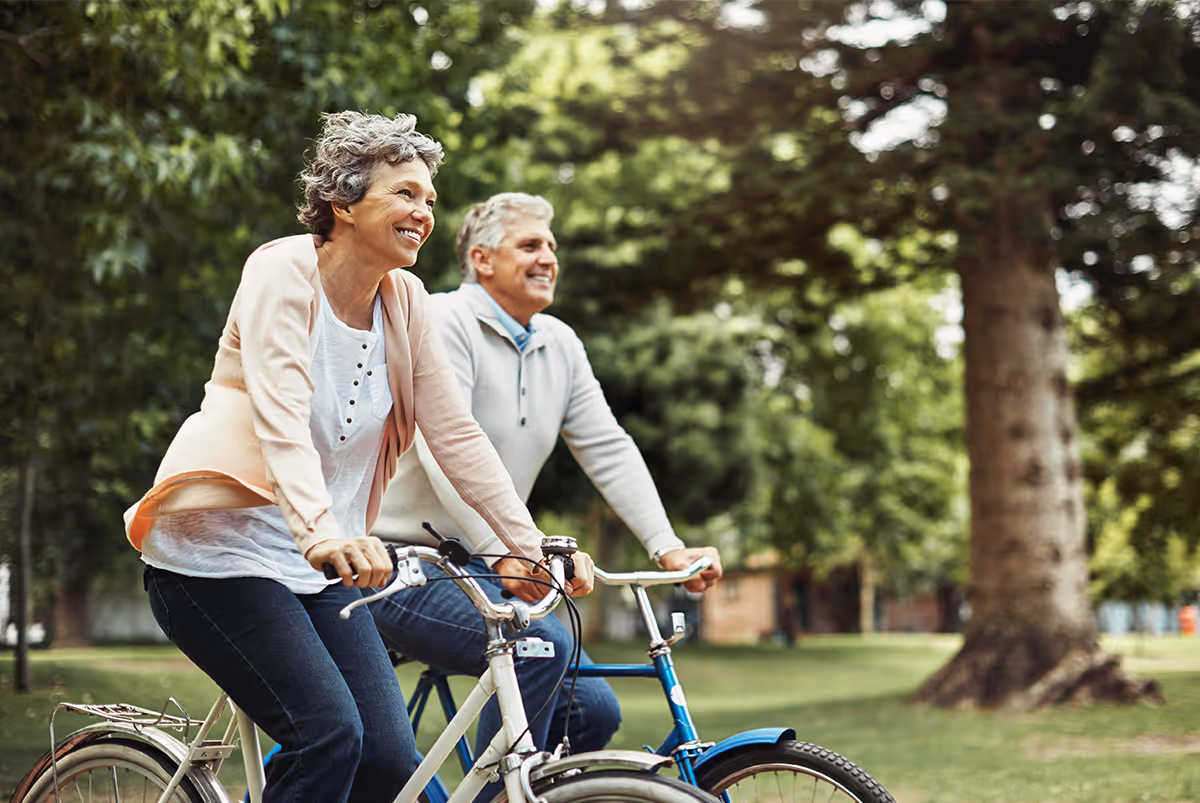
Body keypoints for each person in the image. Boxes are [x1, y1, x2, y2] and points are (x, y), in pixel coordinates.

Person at [124, 116, 593, 803]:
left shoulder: (405, 303)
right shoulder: (281, 269)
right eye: (406, 194)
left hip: (323, 570)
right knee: (328, 732)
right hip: (218, 557)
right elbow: (280, 411)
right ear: (343, 204)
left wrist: (530, 545)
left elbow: (456, 436)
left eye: (430, 201)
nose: (423, 213)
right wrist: (322, 532)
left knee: (387, 759)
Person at [370, 192, 723, 768]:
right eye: (531, 245)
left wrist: (667, 546)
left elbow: (608, 447)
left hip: (486, 563)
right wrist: (507, 550)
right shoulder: (441, 319)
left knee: (593, 710)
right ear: (482, 259)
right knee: (539, 649)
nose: (548, 258)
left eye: (552, 247)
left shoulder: (560, 342)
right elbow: (444, 446)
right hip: (398, 562)